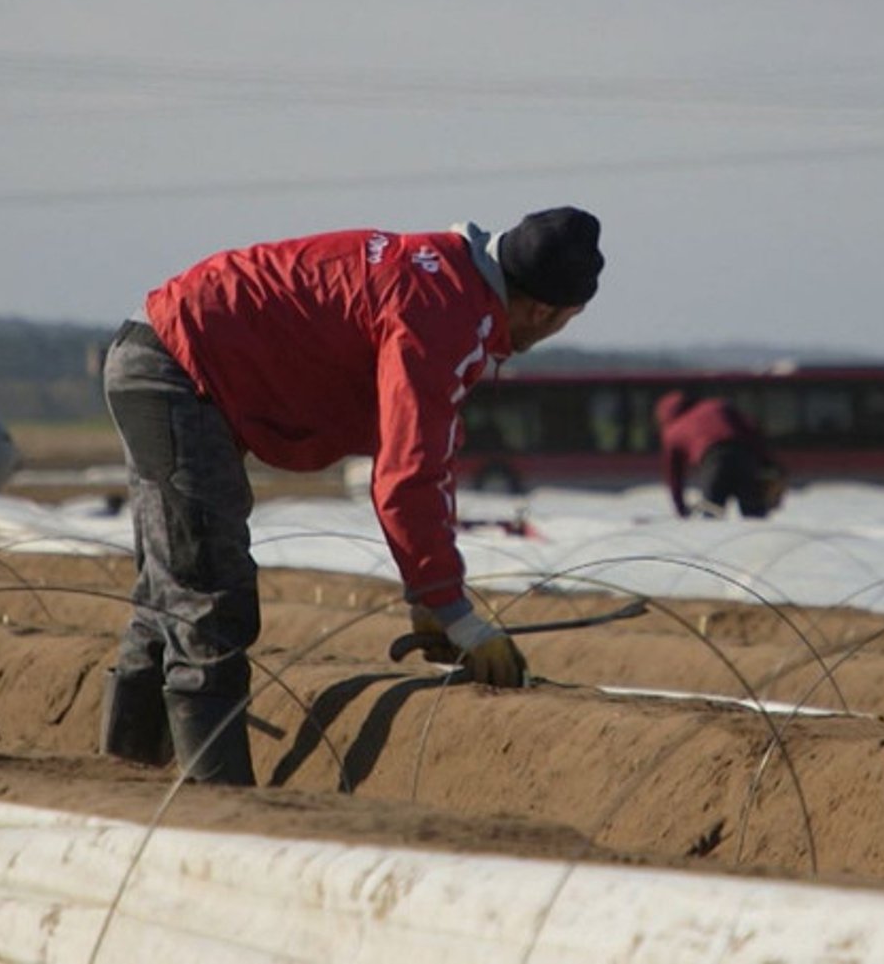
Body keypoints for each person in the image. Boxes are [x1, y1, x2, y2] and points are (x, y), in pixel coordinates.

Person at [99, 207, 603, 784]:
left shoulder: (446, 281)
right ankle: (217, 799)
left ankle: (128, 770)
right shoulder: (445, 316)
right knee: (209, 586)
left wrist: (430, 595)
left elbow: (428, 452)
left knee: (173, 577)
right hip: (177, 367)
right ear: (546, 310)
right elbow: (408, 475)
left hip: (173, 355)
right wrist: (456, 614)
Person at [653, 391, 784, 519]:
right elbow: (752, 430)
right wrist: (769, 463)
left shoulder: (671, 431)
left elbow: (674, 475)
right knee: (754, 515)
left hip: (713, 460)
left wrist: (680, 507)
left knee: (712, 513)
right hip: (744, 455)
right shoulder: (717, 406)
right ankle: (762, 539)